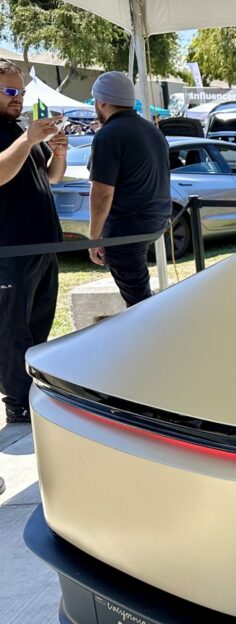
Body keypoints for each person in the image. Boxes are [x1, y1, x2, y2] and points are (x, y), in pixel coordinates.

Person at [0, 60, 67, 424]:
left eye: (21, 92)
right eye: (10, 92)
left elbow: (52, 178)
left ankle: (34, 389)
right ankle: (16, 401)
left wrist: (58, 150)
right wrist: (28, 139)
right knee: (13, 326)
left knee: (39, 321)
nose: (18, 99)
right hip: (11, 248)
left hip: (43, 246)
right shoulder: (16, 134)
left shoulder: (19, 129)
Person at [87, 71, 171, 308]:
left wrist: (94, 237)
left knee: (139, 304)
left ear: (101, 101)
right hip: (155, 222)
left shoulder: (108, 135)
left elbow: (102, 193)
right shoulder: (152, 130)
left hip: (127, 229)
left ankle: (155, 342)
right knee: (140, 297)